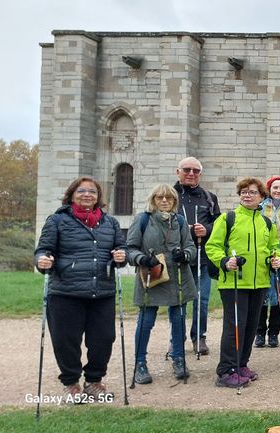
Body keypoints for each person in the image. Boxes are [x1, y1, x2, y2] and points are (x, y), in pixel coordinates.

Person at [34, 176, 127, 401]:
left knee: (103, 339)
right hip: (66, 291)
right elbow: (43, 250)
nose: (87, 195)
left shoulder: (110, 222)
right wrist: (42, 261)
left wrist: (121, 256)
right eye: (82, 191)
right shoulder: (57, 220)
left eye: (92, 192)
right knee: (66, 340)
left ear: (98, 197)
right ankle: (71, 383)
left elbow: (121, 250)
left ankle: (94, 381)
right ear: (72, 194)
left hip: (102, 291)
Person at [205, 177, 280, 388]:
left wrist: (275, 259)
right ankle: (225, 370)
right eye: (244, 192)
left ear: (262, 197)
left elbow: (273, 246)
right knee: (234, 327)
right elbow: (212, 246)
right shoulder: (227, 218)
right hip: (234, 283)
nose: (247, 195)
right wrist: (224, 261)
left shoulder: (266, 222)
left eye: (252, 192)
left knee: (250, 326)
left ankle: (241, 364)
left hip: (259, 282)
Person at [126, 184, 197, 384]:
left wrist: (185, 254)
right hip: (152, 275)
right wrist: (142, 259)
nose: (164, 201)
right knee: (146, 320)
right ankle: (140, 363)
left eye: (169, 198)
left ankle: (179, 358)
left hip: (178, 276)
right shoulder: (143, 220)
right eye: (160, 197)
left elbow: (191, 247)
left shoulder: (180, 221)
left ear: (174, 201)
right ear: (153, 200)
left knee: (178, 319)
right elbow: (130, 249)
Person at [174, 157, 221, 356]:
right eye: (187, 169)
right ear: (178, 171)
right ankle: (176, 339)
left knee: (201, 300)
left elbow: (219, 224)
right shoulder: (169, 195)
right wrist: (184, 228)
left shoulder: (209, 197)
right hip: (178, 257)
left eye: (195, 170)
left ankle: (199, 337)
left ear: (200, 174)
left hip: (202, 256)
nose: (191, 173)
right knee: (179, 300)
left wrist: (207, 229)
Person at [256, 176, 280, 349]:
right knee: (262, 294)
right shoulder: (261, 206)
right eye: (275, 188)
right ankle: (259, 332)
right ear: (269, 189)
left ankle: (274, 332)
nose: (278, 191)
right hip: (264, 254)